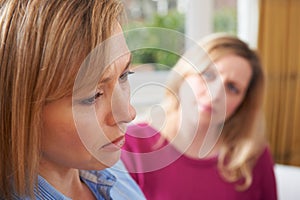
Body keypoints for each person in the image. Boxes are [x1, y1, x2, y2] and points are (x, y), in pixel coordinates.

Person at [0, 0, 146, 199]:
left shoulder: (111, 172)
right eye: (92, 96)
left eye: (124, 75)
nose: (128, 114)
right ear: (17, 107)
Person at [122, 33, 277, 200]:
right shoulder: (130, 145)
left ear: (243, 104)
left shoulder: (253, 155)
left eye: (232, 88)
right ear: (184, 74)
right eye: (208, 75)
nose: (216, 94)